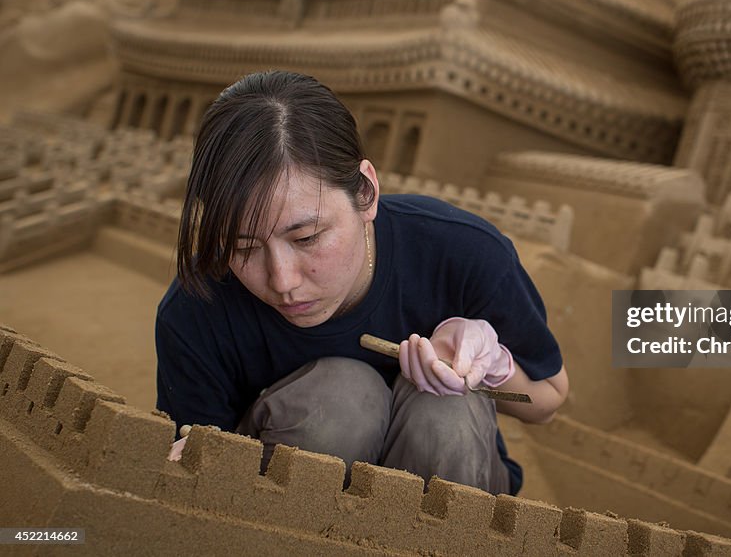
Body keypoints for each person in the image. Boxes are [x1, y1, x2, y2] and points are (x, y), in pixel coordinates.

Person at [155, 70, 569, 496]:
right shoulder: (199, 302)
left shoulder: (462, 252)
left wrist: (493, 366)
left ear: (366, 192)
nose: (282, 281)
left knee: (445, 409)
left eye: (307, 238)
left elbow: (547, 402)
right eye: (242, 248)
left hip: (455, 476)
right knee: (341, 399)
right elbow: (192, 478)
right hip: (276, 499)